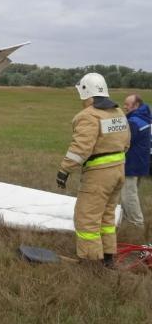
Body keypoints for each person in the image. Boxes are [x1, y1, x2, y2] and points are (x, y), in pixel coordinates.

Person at [56, 73, 130, 267]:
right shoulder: (119, 113)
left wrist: (64, 170)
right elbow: (126, 143)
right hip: (119, 171)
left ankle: (90, 262)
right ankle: (108, 258)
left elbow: (80, 149)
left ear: (85, 92)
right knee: (106, 216)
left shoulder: (88, 116)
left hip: (99, 175)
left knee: (86, 218)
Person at [119, 94, 151, 240]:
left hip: (132, 163)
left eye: (127, 104)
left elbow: (123, 141)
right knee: (132, 193)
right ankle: (127, 220)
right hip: (141, 162)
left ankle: (137, 225)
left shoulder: (133, 121)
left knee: (128, 195)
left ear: (136, 105)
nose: (125, 106)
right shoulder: (145, 117)